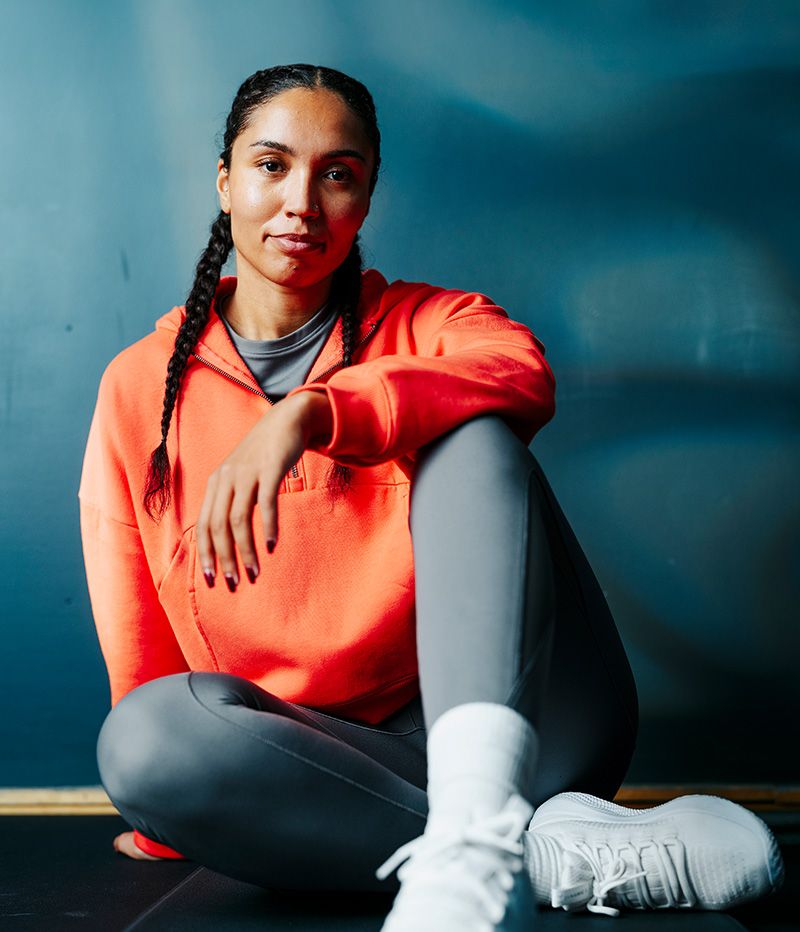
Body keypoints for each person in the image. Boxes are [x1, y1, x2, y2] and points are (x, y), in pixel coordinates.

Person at [78, 64, 783, 929]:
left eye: (337, 173)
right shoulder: (138, 389)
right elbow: (138, 628)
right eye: (271, 165)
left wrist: (314, 412)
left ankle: (483, 815)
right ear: (224, 181)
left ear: (365, 200)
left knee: (472, 423)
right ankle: (532, 856)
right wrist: (172, 812)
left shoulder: (436, 322)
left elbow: (519, 375)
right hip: (328, 759)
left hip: (538, 726)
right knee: (143, 741)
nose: (301, 200)